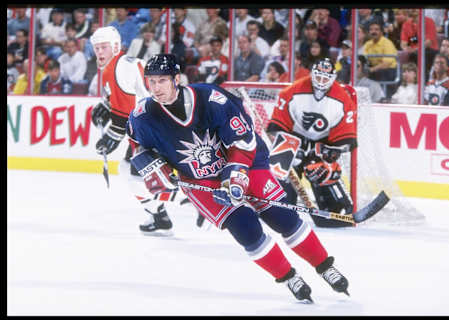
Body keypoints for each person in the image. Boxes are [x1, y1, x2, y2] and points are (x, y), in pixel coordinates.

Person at [126, 53, 350, 303]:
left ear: (176, 79)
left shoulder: (210, 98)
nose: (156, 88)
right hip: (201, 181)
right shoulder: (142, 116)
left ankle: (325, 267)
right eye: (151, 81)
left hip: (245, 161)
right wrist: (152, 166)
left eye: (162, 81)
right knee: (246, 229)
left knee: (282, 217)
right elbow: (138, 146)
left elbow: (244, 140)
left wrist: (235, 177)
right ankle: (289, 277)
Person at [89, 26, 176, 236]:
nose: (100, 52)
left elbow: (127, 109)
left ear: (116, 46)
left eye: (104, 47)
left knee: (137, 177)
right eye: (97, 48)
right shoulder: (121, 64)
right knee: (129, 171)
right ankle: (160, 215)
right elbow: (136, 96)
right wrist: (107, 105)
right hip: (156, 127)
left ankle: (182, 199)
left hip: (157, 129)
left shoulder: (116, 68)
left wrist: (113, 135)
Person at [266, 58, 357, 228]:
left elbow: (346, 139)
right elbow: (275, 128)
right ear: (312, 73)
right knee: (280, 174)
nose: (321, 82)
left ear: (333, 78)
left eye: (326, 78)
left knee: (322, 169)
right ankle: (278, 206)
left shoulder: (343, 99)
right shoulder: (291, 91)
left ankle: (333, 208)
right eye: (318, 76)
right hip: (292, 139)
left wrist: (330, 153)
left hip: (320, 144)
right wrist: (292, 151)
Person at [363, 19, 398, 99]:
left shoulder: (387, 43)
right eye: (371, 30)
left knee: (380, 73)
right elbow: (363, 58)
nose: (373, 32)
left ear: (381, 32)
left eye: (376, 29)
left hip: (389, 71)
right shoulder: (368, 44)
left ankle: (384, 98)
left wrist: (372, 69)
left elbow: (387, 64)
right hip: (374, 69)